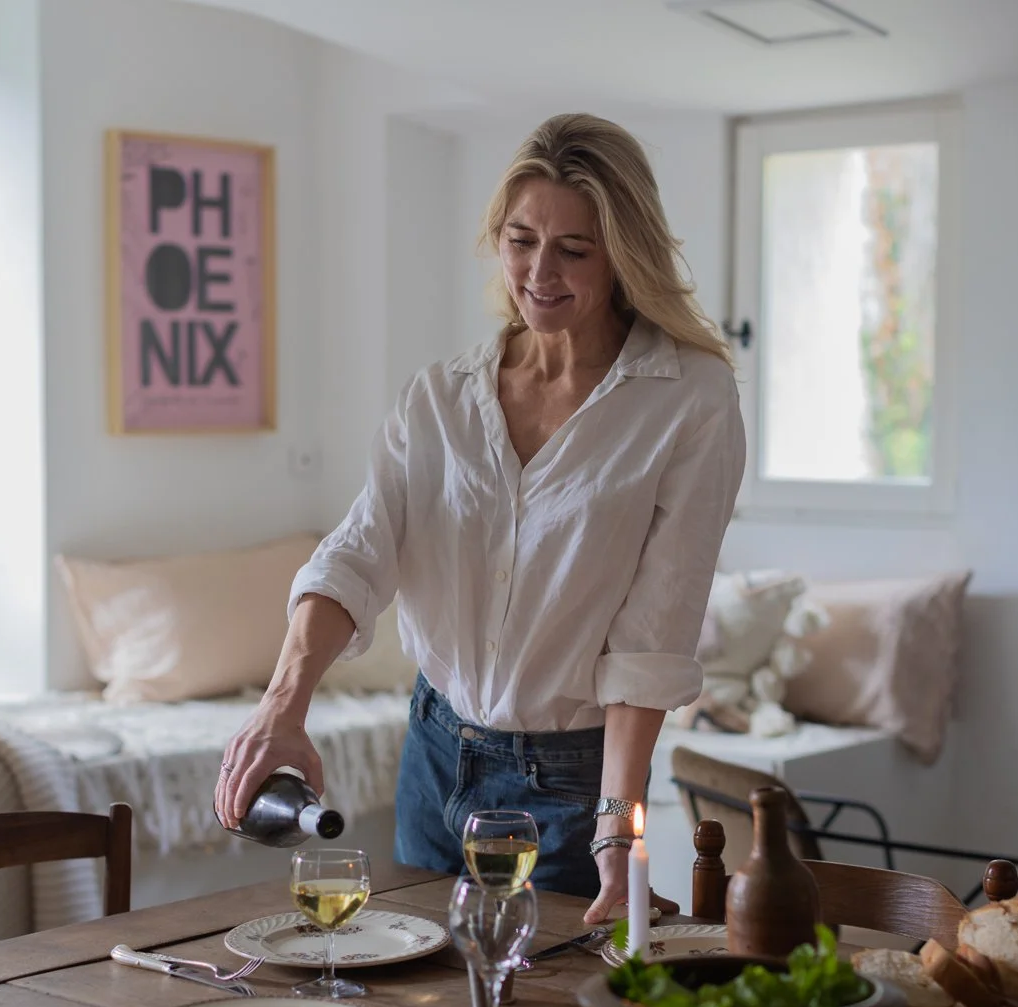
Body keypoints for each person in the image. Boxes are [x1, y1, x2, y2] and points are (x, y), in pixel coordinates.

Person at [215, 113, 744, 925]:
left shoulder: (688, 399)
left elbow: (652, 637)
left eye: (575, 248)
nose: (540, 271)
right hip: (435, 751)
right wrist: (282, 708)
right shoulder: (440, 397)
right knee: (419, 1000)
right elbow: (358, 553)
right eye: (521, 238)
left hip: (570, 781)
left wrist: (615, 834)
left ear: (624, 253)